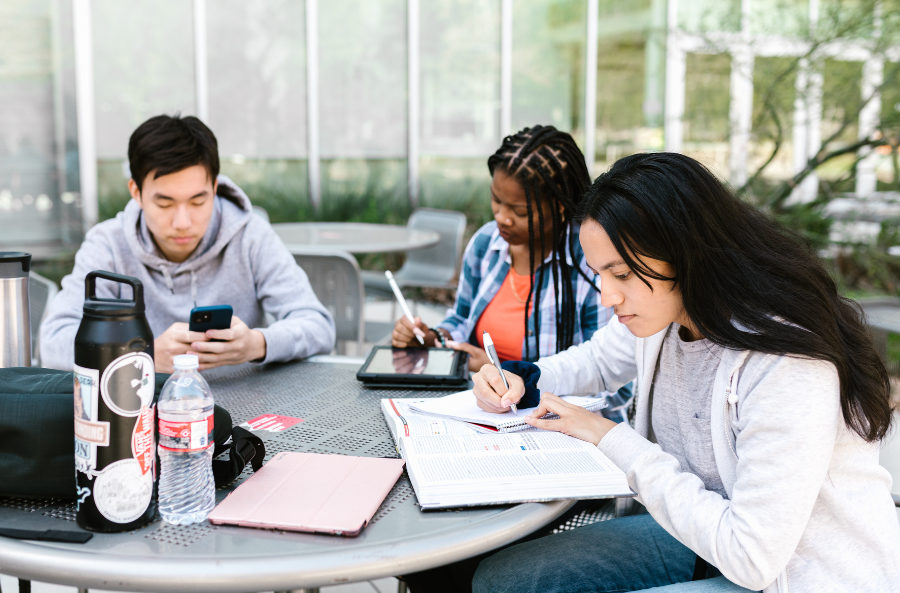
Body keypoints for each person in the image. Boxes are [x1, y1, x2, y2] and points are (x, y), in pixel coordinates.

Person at [470, 153, 900, 593]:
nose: (607, 296)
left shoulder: (785, 362)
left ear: (685, 253)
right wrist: (522, 378)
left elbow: (751, 559)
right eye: (600, 273)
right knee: (501, 580)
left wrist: (611, 438)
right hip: (704, 536)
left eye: (621, 273)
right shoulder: (667, 313)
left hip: (795, 575)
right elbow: (596, 362)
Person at [41, 115, 335, 373]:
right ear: (136, 191)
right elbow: (54, 341)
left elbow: (318, 325)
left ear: (215, 187)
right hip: (141, 413)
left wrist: (256, 344)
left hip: (245, 411)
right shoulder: (108, 245)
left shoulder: (250, 236)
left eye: (198, 201)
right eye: (165, 203)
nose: (183, 221)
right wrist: (143, 356)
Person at [392, 124, 632, 421]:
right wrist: (435, 339)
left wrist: (509, 373)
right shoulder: (485, 244)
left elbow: (615, 381)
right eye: (496, 200)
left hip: (561, 429)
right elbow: (462, 319)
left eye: (519, 211)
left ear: (559, 206)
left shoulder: (590, 262)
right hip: (484, 415)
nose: (502, 218)